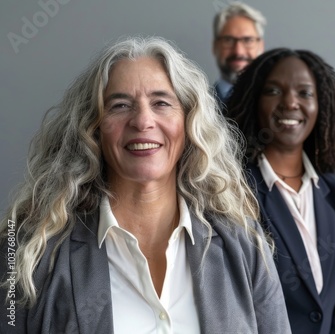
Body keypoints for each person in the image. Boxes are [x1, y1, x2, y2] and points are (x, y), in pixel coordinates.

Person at [0, 36, 292, 334]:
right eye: (120, 105)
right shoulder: (27, 250)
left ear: (189, 122)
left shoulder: (244, 243)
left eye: (161, 103)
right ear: (94, 127)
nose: (142, 121)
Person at [227, 48, 335, 334]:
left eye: (305, 93)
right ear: (254, 101)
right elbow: (230, 304)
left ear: (322, 105)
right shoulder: (232, 193)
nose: (290, 103)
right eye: (274, 91)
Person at [212, 1, 265, 109]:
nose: (238, 51)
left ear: (261, 46)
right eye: (228, 40)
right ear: (215, 46)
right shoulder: (197, 104)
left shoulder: (274, 104)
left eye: (248, 40)